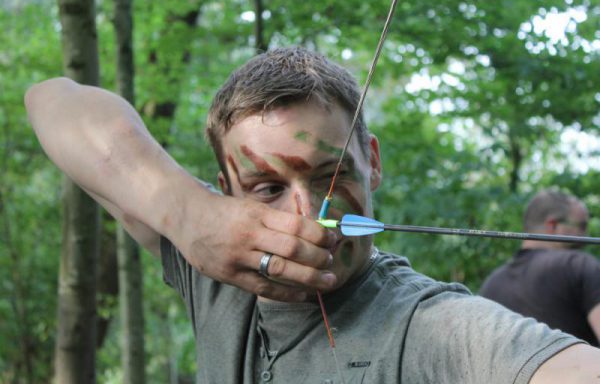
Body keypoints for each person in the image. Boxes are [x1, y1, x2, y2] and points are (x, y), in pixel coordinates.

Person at [25, 48, 600, 383]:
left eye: (330, 178)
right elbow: (50, 100)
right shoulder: (215, 267)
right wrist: (187, 213)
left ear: (370, 164)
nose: (307, 219)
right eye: (268, 188)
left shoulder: (436, 328)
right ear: (227, 190)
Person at [480, 189, 600, 346]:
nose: (586, 234)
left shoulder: (491, 285)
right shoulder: (579, 264)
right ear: (553, 225)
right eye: (582, 226)